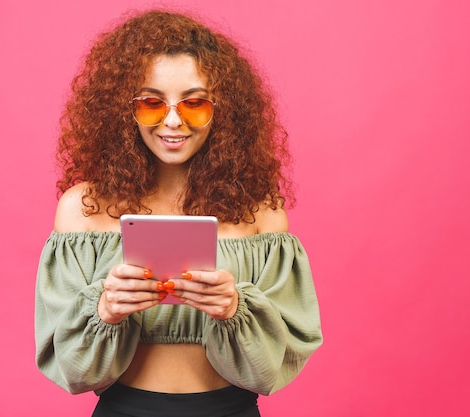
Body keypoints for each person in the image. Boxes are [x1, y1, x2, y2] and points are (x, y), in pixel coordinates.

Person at [35, 9, 323, 417]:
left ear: (223, 111)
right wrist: (105, 311)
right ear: (123, 110)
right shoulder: (82, 211)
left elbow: (276, 365)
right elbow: (72, 370)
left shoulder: (261, 213)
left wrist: (233, 308)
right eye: (152, 103)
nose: (173, 121)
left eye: (194, 103)